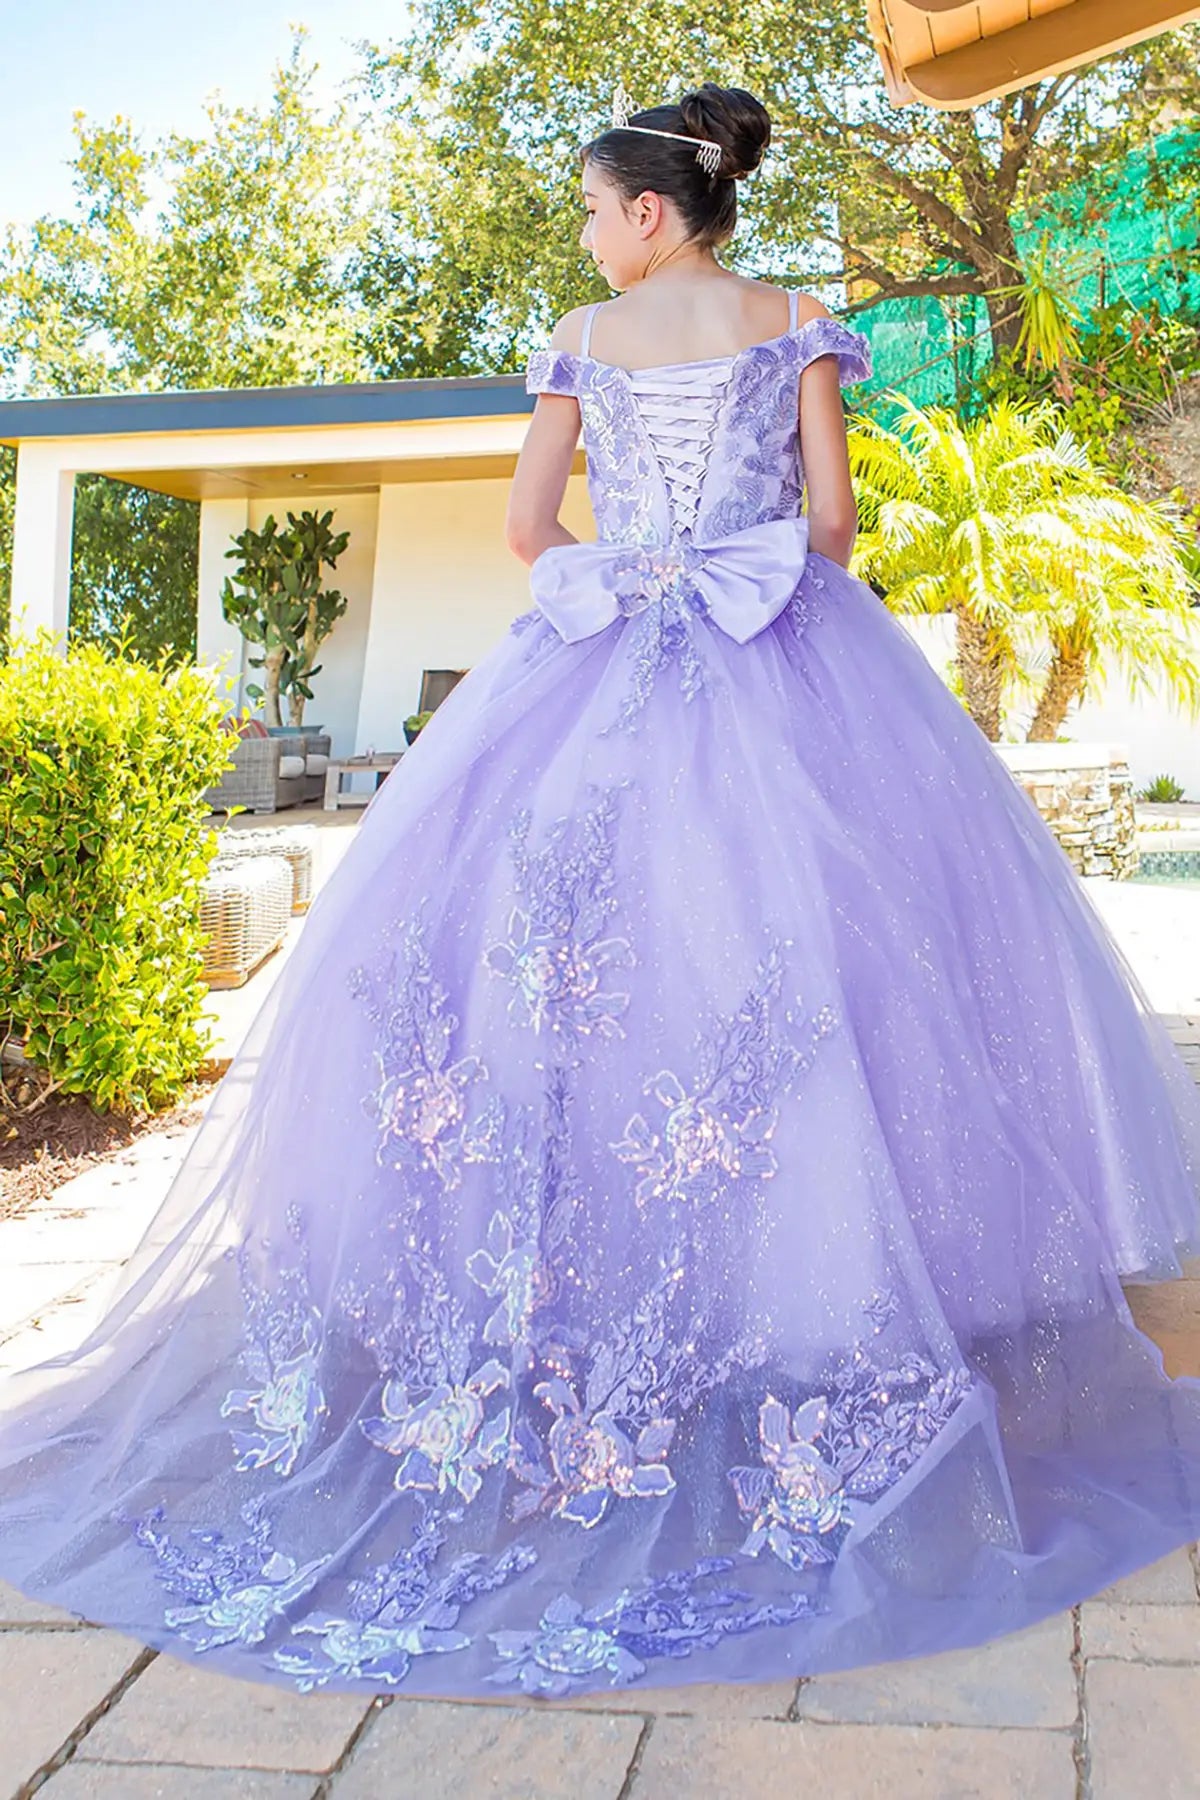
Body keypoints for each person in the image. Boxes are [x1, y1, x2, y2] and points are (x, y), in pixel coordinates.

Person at [1, 80, 1200, 1704]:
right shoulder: (796, 322)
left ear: (651, 211)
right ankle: (830, 1315)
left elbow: (520, 526)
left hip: (595, 669)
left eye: (586, 208)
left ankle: (563, 1306)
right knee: (830, 973)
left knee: (554, 970)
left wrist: (627, 571)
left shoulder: (585, 331)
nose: (581, 234)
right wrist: (740, 568)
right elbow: (831, 529)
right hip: (792, 664)